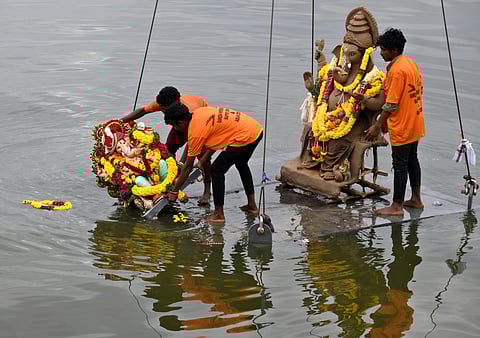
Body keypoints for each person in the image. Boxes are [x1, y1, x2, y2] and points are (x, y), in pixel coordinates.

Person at [164, 103, 264, 223]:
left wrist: (174, 191)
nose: (175, 130)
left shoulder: (195, 133)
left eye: (174, 126)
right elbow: (217, 137)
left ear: (181, 123)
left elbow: (188, 166)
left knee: (216, 170)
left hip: (244, 136)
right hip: (255, 129)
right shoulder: (200, 112)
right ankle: (252, 206)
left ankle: (218, 215)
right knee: (241, 164)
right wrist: (202, 161)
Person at [364, 28, 425, 216]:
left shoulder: (397, 71)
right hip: (416, 120)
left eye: (383, 49)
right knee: (412, 160)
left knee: (400, 164)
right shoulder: (410, 64)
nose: (381, 52)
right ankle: (416, 199)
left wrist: (376, 125)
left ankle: (396, 206)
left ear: (394, 50)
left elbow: (391, 104)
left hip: (404, 125)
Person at [120, 86, 212, 205]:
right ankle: (168, 179)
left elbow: (191, 144)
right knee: (168, 149)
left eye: (164, 110)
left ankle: (207, 190)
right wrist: (118, 122)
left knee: (202, 155)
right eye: (161, 109)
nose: (163, 112)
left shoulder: (189, 110)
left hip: (201, 123)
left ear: (174, 105)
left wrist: (183, 166)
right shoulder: (163, 102)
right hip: (178, 122)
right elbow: (142, 111)